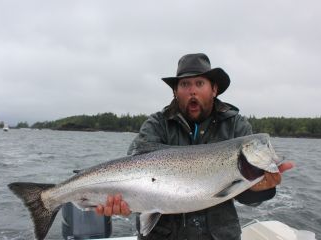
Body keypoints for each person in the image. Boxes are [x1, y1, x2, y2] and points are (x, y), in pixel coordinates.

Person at [96, 53, 293, 239]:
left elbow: (245, 196)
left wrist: (261, 189)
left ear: (213, 89)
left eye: (199, 83)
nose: (192, 91)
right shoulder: (157, 124)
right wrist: (123, 204)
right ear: (175, 91)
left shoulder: (235, 126)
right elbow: (134, 167)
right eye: (185, 84)